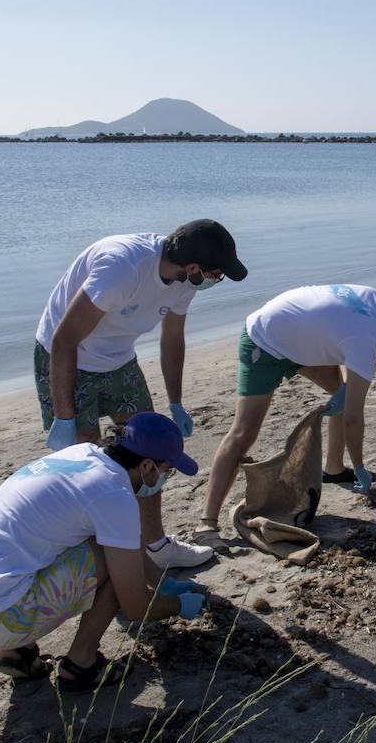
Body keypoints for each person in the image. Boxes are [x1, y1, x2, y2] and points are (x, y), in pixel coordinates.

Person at [35, 220, 247, 571]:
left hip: (118, 358)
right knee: (85, 459)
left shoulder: (184, 282)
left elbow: (172, 338)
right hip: (67, 355)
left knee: (153, 448)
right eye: (216, 274)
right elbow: (64, 339)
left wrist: (175, 402)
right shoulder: (122, 267)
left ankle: (156, 546)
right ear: (195, 268)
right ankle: (97, 560)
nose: (215, 279)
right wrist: (64, 415)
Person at [0, 412, 206, 692]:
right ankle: (80, 665)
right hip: (1, 618)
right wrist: (180, 606)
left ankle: (17, 656)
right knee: (115, 568)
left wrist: (162, 583)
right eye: (167, 469)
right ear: (147, 466)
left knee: (99, 544)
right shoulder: (114, 495)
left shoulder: (82, 454)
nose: (166, 477)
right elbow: (135, 606)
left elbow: (123, 544)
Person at [193, 284, 376, 549]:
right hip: (264, 341)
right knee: (244, 433)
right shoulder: (366, 341)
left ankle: (334, 469)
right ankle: (206, 523)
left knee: (342, 393)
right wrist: (360, 468)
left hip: (296, 337)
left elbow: (341, 334)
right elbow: (353, 420)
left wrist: (345, 388)